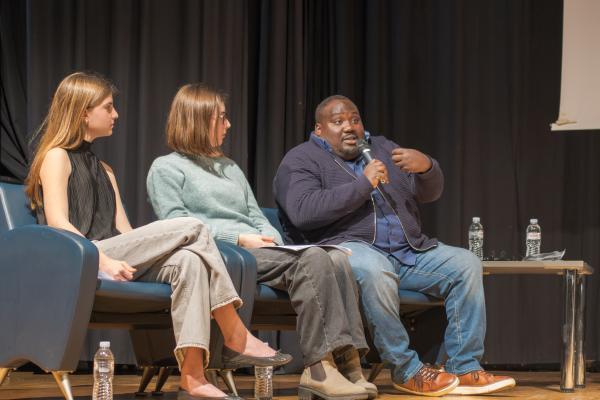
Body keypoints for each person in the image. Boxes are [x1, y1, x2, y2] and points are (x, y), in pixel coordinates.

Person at [24, 72, 291, 400]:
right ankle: (234, 331)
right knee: (193, 226)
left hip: (112, 252)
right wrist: (104, 259)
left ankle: (192, 375)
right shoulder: (57, 157)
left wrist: (148, 252)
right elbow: (57, 222)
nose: (116, 114)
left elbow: (126, 232)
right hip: (81, 256)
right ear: (82, 113)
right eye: (108, 107)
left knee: (190, 261)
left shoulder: (105, 168)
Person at [273, 95, 516, 397]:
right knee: (375, 269)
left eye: (355, 119)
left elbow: (428, 193)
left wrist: (428, 168)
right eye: (338, 122)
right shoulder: (301, 159)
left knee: (465, 264)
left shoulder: (383, 148)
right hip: (347, 248)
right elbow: (303, 212)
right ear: (319, 129)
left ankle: (464, 367)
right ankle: (407, 370)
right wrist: (363, 184)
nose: (349, 127)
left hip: (409, 251)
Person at [146, 84, 376, 400]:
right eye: (221, 118)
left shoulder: (229, 167)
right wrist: (239, 238)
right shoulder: (166, 168)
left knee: (334, 258)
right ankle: (319, 369)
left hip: (260, 250)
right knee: (314, 259)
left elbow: (256, 215)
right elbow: (177, 227)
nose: (228, 125)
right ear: (198, 121)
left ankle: (349, 364)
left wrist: (275, 241)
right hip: (220, 253)